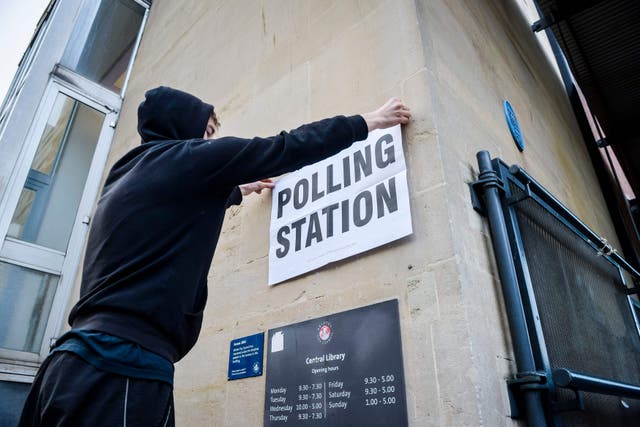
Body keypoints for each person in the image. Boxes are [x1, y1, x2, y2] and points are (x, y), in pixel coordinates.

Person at [19, 86, 411, 426]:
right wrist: (368, 121)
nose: (207, 144)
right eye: (205, 134)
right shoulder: (188, 159)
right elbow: (285, 145)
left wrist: (238, 191)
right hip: (119, 369)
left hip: (64, 369)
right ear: (183, 127)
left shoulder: (127, 174)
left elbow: (172, 206)